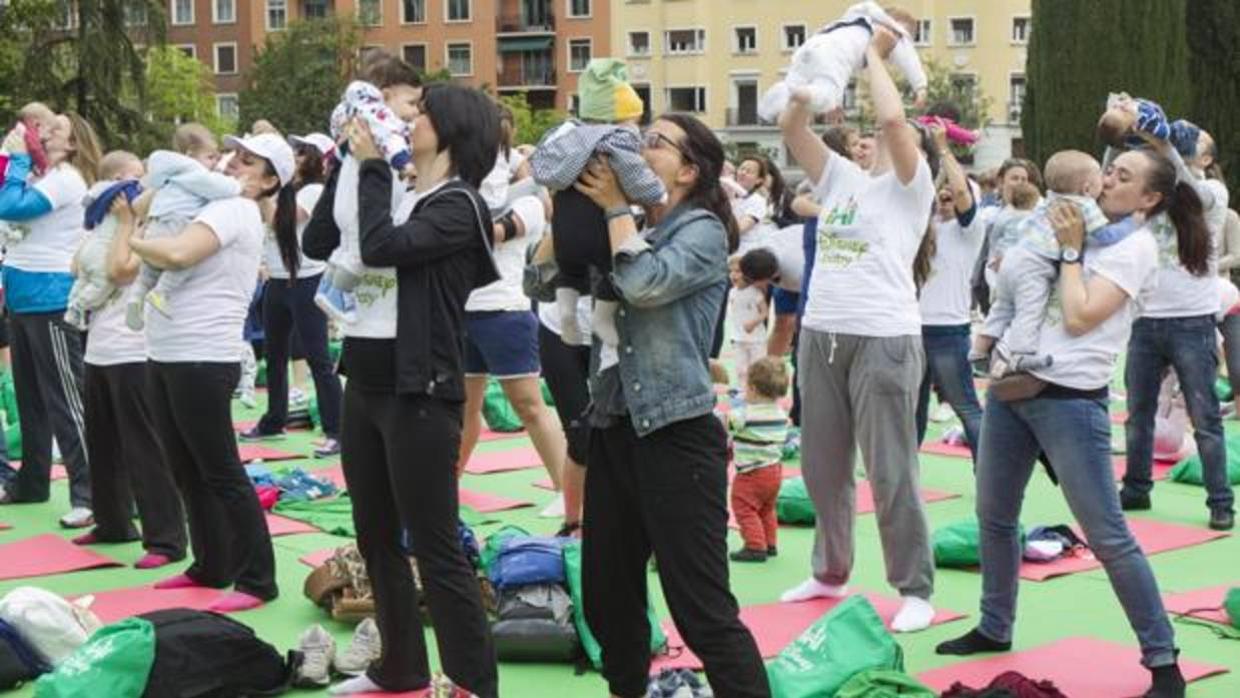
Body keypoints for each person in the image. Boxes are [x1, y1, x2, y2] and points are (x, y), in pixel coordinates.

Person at [937, 147, 1192, 698]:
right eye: (1109, 171)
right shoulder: (1073, 220)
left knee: (1107, 535)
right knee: (994, 516)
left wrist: (1071, 252)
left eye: (1123, 177)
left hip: (1072, 400)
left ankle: (1164, 660)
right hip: (1013, 389)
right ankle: (994, 625)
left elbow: (1078, 317)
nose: (1108, 181)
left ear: (1149, 199)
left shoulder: (1136, 247)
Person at [548, 111, 768, 697]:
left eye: (654, 142)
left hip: (677, 434)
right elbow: (541, 280)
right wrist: (565, 212)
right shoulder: (621, 222)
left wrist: (619, 210)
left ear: (689, 170)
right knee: (607, 601)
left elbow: (644, 285)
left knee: (701, 610)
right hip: (614, 428)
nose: (637, 148)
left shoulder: (701, 231)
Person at [302, 84, 501, 698]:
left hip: (421, 388)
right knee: (374, 536)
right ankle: (400, 667)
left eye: (421, 115)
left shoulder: (458, 206)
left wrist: (366, 167)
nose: (406, 123)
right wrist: (344, 162)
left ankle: (471, 683)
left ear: (452, 132)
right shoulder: (403, 190)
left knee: (436, 547)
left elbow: (383, 248)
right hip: (365, 375)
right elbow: (317, 245)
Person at [776, 25, 939, 633]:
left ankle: (914, 587)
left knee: (891, 469)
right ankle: (830, 569)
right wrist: (810, 77)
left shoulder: (911, 189)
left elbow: (897, 126)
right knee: (822, 467)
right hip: (822, 334)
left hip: (884, 339)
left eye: (885, 136)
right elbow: (793, 132)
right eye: (866, 137)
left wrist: (872, 55)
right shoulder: (842, 179)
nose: (875, 139)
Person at [126, 132, 290, 613]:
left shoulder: (234, 209)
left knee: (220, 470)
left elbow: (178, 253)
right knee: (186, 469)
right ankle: (211, 564)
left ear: (269, 179)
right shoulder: (210, 200)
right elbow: (151, 198)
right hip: (168, 351)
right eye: (234, 154)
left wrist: (130, 235)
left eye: (249, 159)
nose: (234, 163)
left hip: (202, 354)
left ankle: (258, 579)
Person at [1119, 129, 1234, 530]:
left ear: (1202, 161)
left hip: (1193, 322)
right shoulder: (1147, 200)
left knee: (1205, 419)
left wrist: (1165, 146)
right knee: (1138, 414)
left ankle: (1220, 502)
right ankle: (1136, 488)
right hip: (1146, 322)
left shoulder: (1212, 193)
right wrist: (1118, 138)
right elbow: (1109, 194)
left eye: (1187, 152)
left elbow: (1187, 187)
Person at [77, 151, 187, 569]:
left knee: (144, 446)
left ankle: (166, 539)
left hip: (134, 349)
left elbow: (121, 271)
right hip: (100, 348)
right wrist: (112, 226)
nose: (139, 190)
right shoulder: (100, 226)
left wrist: (127, 224)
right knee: (101, 442)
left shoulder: (155, 226)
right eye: (132, 181)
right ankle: (113, 521)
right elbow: (80, 268)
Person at [0, 112, 99, 528]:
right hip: (24, 297)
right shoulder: (46, 175)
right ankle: (33, 481)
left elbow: (8, 205)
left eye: (56, 129)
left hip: (51, 297)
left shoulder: (66, 178)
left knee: (66, 400)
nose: (44, 132)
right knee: (30, 399)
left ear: (73, 143)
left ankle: (89, 492)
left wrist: (18, 161)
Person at [529, 58, 666, 348]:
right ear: (621, 118)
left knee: (570, 271)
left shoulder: (563, 138)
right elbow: (635, 176)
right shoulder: (616, 140)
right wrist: (656, 192)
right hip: (598, 224)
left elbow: (540, 170)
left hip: (563, 226)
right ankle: (602, 320)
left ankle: (566, 312)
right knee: (613, 270)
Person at [976, 151, 1144, 377]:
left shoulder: (1050, 198)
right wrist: (1131, 224)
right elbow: (1105, 236)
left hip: (1014, 256)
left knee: (1002, 307)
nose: (1104, 183)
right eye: (1101, 178)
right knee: (1030, 309)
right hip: (1034, 265)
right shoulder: (1084, 205)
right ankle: (1020, 354)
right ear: (1086, 189)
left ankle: (978, 349)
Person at [240, 134, 344, 458]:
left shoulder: (313, 191)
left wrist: (260, 193)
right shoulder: (285, 192)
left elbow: (282, 222)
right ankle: (274, 420)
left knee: (318, 358)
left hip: (307, 280)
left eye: (301, 151)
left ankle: (337, 429)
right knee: (274, 356)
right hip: (278, 281)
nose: (296, 156)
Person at [314, 52, 421, 323]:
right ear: (385, 96)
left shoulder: (353, 113)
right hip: (359, 204)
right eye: (411, 103)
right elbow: (393, 144)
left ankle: (329, 287)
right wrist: (406, 165)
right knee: (359, 251)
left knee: (347, 247)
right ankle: (338, 294)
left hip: (346, 196)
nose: (415, 112)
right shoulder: (381, 120)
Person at [124, 123, 240, 330]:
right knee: (188, 258)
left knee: (148, 271)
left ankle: (136, 297)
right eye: (211, 157)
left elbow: (141, 199)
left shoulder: (169, 174)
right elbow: (218, 188)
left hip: (155, 223)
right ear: (189, 154)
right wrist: (238, 185)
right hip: (177, 222)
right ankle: (162, 293)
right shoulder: (193, 172)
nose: (216, 163)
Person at [914, 118, 985, 457]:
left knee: (966, 406)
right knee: (910, 410)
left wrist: (943, 148)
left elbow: (960, 191)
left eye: (950, 198)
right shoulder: (923, 227)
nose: (945, 201)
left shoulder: (969, 231)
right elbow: (923, 190)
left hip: (948, 330)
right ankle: (904, 481)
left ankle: (988, 477)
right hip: (912, 328)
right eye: (939, 198)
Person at [759, 2, 926, 121]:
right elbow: (909, 59)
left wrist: (837, 104)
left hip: (811, 46)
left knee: (799, 80)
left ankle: (782, 93)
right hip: (834, 54)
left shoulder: (856, 22)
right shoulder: (891, 34)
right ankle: (796, 92)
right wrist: (920, 87)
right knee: (827, 94)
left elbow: (841, 74)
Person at [728, 357, 790, 563]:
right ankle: (770, 543)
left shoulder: (745, 414)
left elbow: (728, 424)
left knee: (743, 506)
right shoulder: (781, 414)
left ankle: (755, 546)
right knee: (766, 509)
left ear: (752, 389)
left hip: (752, 472)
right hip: (775, 471)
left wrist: (732, 407)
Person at [728, 255, 769, 390]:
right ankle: (743, 393)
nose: (733, 275)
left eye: (738, 271)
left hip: (756, 340)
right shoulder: (732, 292)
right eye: (731, 271)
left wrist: (753, 322)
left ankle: (759, 392)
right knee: (741, 369)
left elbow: (765, 312)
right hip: (738, 338)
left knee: (757, 369)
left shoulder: (754, 292)